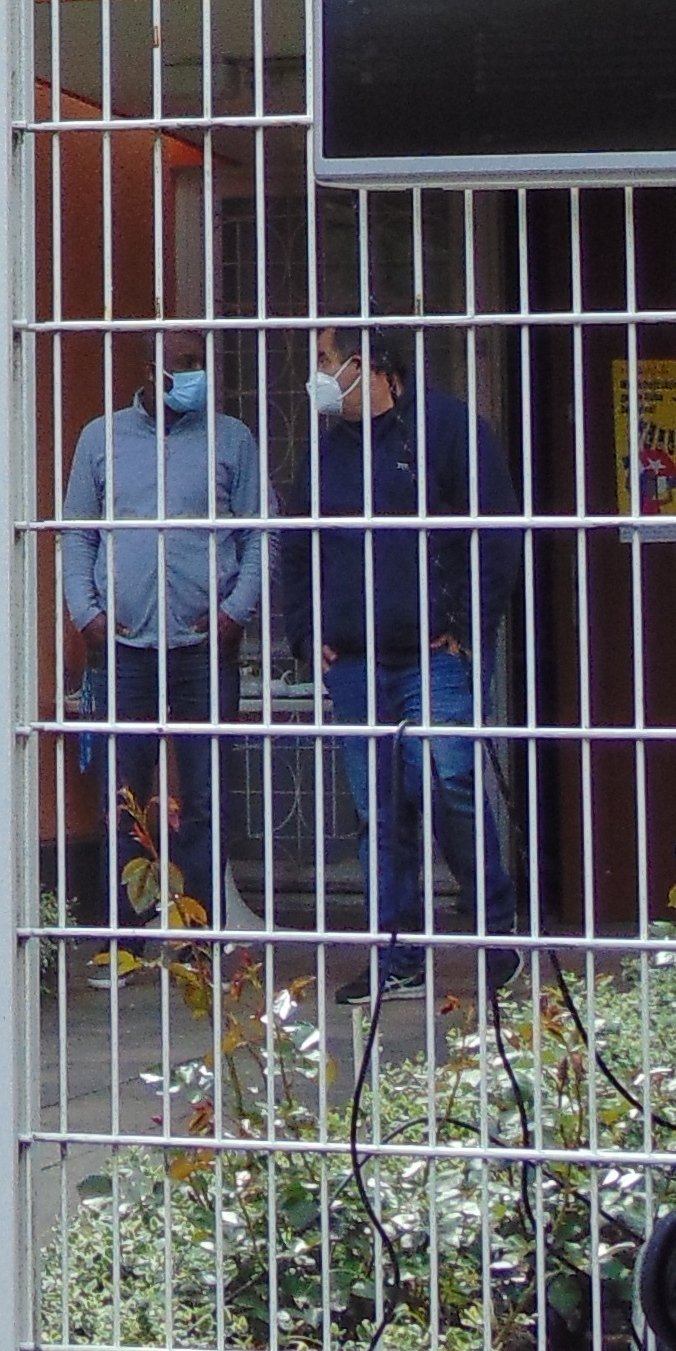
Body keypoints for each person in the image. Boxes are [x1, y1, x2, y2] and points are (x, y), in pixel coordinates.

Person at [280, 323, 526, 989]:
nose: (318, 376)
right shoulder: (328, 451)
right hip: (356, 662)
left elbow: (496, 533)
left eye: (326, 361)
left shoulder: (445, 430)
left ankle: (495, 932)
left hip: (434, 656)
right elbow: (296, 547)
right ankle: (396, 953)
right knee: (379, 810)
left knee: (450, 789)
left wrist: (469, 625)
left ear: (365, 365)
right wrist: (307, 636)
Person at [58, 324, 262, 939]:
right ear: (152, 369)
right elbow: (76, 534)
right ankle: (125, 936)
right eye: (184, 361)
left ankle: (200, 939)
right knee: (123, 800)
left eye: (201, 361)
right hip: (123, 647)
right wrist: (86, 613)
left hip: (206, 645)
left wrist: (237, 611)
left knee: (206, 798)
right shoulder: (102, 439)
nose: (196, 372)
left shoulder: (231, 440)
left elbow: (260, 534)